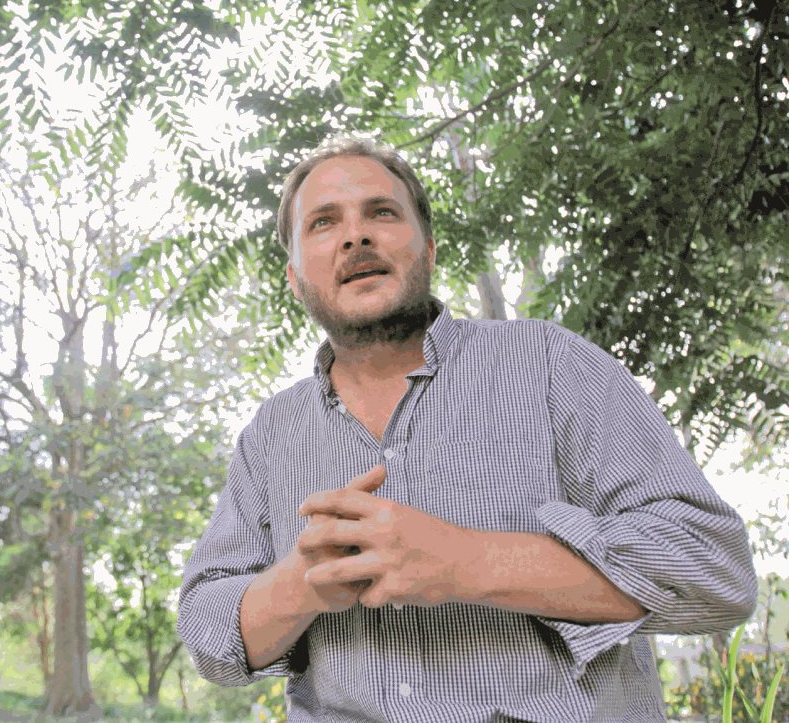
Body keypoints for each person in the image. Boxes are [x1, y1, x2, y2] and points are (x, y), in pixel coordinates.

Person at [177, 136, 757, 722]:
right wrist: (302, 583)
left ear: (428, 250)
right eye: (323, 223)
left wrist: (465, 562)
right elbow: (207, 634)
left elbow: (714, 569)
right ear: (295, 278)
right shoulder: (269, 435)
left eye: (382, 212)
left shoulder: (552, 364)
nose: (356, 236)